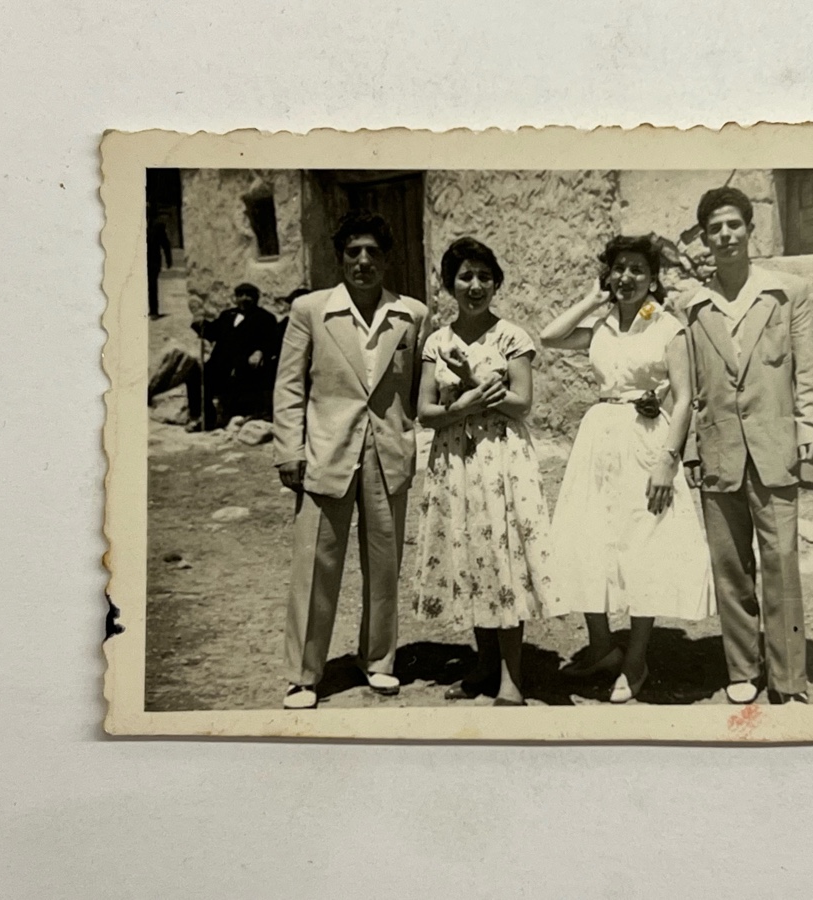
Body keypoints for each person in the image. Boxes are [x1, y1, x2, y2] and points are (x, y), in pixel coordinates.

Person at [540, 235, 714, 704]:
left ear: (653, 278)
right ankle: (601, 648)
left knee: (644, 543)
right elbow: (549, 337)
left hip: (647, 441)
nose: (626, 277)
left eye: (637, 269)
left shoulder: (667, 327)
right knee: (588, 538)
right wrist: (591, 300)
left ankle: (636, 659)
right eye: (619, 268)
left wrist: (668, 460)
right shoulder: (600, 327)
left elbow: (684, 399)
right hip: (598, 440)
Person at [273, 211, 430, 710]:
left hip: (388, 454)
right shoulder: (310, 310)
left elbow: (418, 387)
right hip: (326, 452)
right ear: (340, 257)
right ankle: (303, 675)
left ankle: (379, 659)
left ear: (387, 260)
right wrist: (289, 450)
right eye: (353, 252)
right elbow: (289, 386)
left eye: (373, 252)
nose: (363, 261)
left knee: (384, 566)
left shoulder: (412, 315)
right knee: (315, 565)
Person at [680, 186, 813, 705]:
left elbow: (807, 369)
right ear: (704, 239)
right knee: (730, 565)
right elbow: (688, 384)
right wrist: (691, 449)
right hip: (718, 449)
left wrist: (811, 426)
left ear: (749, 229)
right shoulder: (692, 305)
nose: (725, 236)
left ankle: (788, 677)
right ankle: (742, 668)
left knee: (781, 560)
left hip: (773, 445)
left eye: (733, 225)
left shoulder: (787, 293)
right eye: (714, 229)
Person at [413, 238, 555, 707]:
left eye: (484, 276)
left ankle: (512, 679)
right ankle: (484, 667)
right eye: (465, 277)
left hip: (501, 460)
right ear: (449, 284)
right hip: (455, 461)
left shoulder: (512, 337)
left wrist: (471, 380)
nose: (475, 286)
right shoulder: (437, 342)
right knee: (471, 555)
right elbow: (425, 412)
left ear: (496, 283)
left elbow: (521, 404)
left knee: (502, 558)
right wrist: (461, 408)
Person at [185, 283, 282, 431]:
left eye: (249, 295)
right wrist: (199, 324)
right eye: (240, 295)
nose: (244, 298)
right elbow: (212, 332)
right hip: (219, 365)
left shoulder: (266, 318)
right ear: (235, 298)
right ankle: (204, 418)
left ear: (256, 298)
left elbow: (272, 342)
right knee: (195, 376)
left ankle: (242, 416)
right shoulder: (227, 315)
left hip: (244, 367)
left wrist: (260, 352)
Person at [146, 205, 173, 319]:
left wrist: (169, 259)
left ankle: (153, 311)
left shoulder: (158, 227)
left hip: (153, 261)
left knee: (152, 286)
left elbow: (165, 244)